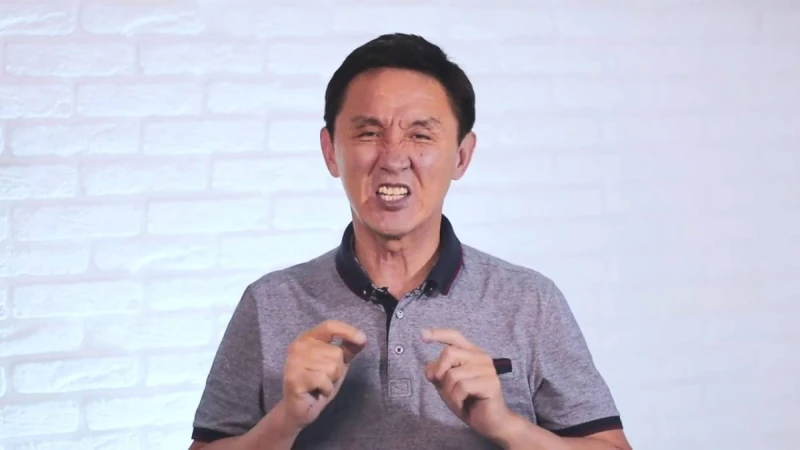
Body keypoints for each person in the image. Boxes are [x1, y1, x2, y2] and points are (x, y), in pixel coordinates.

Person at [189, 33, 632, 450]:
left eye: (420, 135)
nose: (394, 158)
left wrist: (505, 425)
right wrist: (285, 421)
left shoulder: (530, 300)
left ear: (461, 156)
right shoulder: (269, 303)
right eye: (369, 133)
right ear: (330, 151)